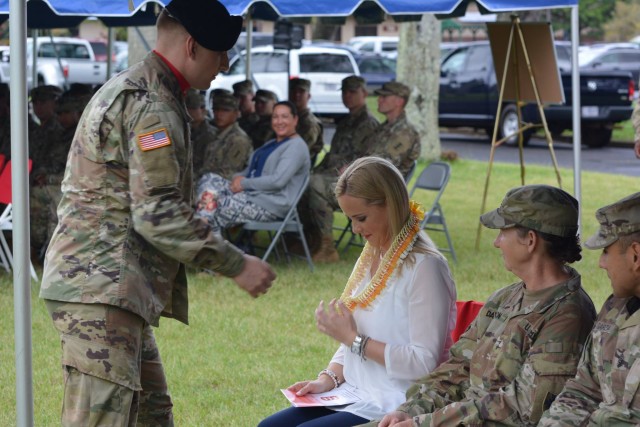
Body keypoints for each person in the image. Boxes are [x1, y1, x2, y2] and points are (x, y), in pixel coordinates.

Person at [39, 1, 276, 425]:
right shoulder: (153, 104)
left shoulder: (140, 88)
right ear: (190, 46)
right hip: (102, 286)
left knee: (151, 413)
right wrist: (236, 264)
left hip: (110, 285)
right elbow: (158, 211)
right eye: (219, 53)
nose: (223, 64)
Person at [369, 184, 597, 427]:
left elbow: (521, 406)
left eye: (502, 232)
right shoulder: (504, 298)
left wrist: (425, 423)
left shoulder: (568, 316)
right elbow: (458, 367)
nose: (496, 242)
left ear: (530, 240)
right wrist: (412, 409)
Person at [259, 156, 457, 427]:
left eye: (361, 218)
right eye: (350, 219)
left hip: (398, 401)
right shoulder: (373, 253)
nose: (355, 229)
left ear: (391, 204)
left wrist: (354, 340)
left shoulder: (426, 267)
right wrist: (327, 378)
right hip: (354, 391)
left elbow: (423, 363)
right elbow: (353, 335)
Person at [538, 192, 640, 426]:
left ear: (636, 255)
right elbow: (583, 389)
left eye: (606, 251)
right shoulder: (616, 307)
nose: (601, 263)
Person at [196, 100, 310, 231]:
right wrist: (237, 178)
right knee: (209, 178)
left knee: (214, 205)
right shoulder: (271, 143)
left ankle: (203, 234)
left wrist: (244, 183)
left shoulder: (296, 147)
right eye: (275, 117)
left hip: (271, 204)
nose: (279, 121)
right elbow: (250, 171)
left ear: (295, 120)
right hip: (251, 194)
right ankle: (205, 230)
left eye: (284, 117)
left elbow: (277, 181)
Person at [304, 75, 380, 263]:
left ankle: (326, 245)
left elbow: (369, 161)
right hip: (332, 177)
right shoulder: (346, 122)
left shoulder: (369, 124)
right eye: (344, 92)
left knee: (313, 186)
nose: (347, 96)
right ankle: (309, 238)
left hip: (351, 184)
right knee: (305, 182)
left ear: (364, 93)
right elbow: (333, 156)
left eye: (352, 92)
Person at [30, 90, 90, 259]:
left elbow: (77, 170)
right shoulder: (64, 134)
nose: (61, 117)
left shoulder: (79, 136)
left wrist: (48, 178)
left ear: (77, 114)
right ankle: (41, 249)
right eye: (59, 113)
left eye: (65, 113)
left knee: (49, 201)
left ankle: (49, 252)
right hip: (57, 182)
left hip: (71, 185)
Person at [366, 81, 420, 178]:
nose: (379, 100)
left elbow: (385, 165)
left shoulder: (405, 133)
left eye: (384, 97)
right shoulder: (382, 129)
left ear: (399, 101)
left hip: (381, 186)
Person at [198, 91, 252, 180]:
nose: (219, 114)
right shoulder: (216, 135)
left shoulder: (238, 139)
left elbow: (228, 173)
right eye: (216, 109)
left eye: (225, 110)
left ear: (236, 113)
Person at [289, 77, 324, 162]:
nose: (297, 95)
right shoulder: (289, 118)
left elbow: (297, 152)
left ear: (308, 96)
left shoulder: (309, 124)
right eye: (294, 91)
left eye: (301, 92)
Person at [185, 88, 218, 177]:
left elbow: (208, 164)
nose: (189, 112)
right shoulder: (186, 130)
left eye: (193, 108)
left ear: (203, 110)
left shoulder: (210, 134)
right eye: (187, 108)